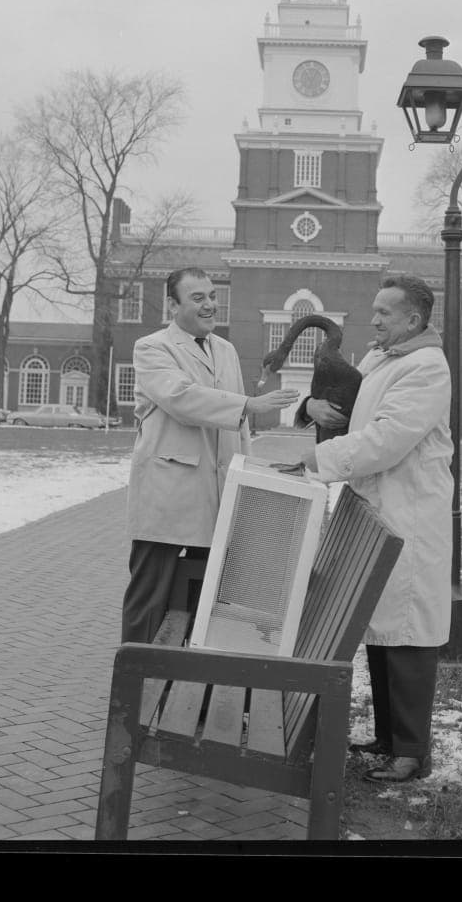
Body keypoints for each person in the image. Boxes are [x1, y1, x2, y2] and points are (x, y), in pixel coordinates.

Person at [296, 275, 453, 784]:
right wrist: (312, 408)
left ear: (414, 319)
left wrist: (316, 459)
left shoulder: (427, 367)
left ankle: (411, 752)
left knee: (408, 629)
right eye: (375, 309)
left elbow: (387, 439)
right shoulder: (379, 358)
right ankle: (388, 739)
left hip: (410, 510)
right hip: (378, 507)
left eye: (386, 312)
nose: (375, 318)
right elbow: (348, 412)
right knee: (383, 627)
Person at [120, 266, 299, 645]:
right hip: (168, 496)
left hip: (218, 495)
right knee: (151, 597)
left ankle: (187, 687)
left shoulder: (226, 350)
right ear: (173, 305)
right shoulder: (153, 348)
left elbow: (240, 427)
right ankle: (135, 684)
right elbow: (181, 399)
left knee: (205, 599)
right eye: (197, 298)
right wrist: (249, 403)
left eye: (213, 296)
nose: (209, 305)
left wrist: (248, 472)